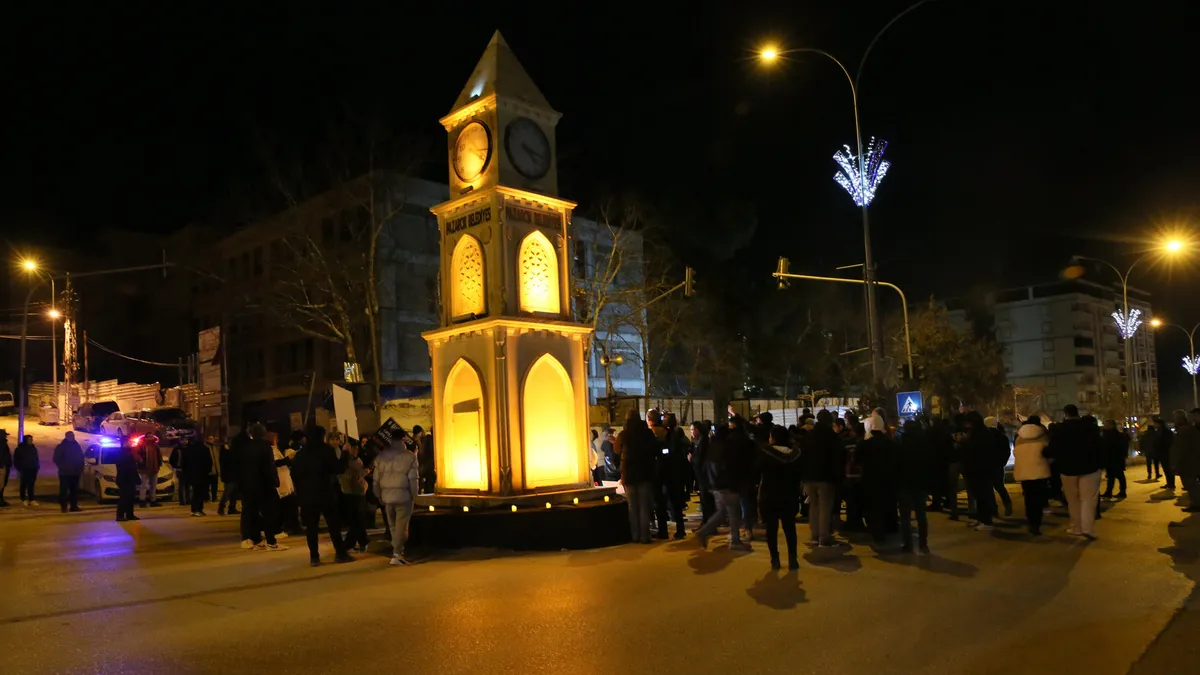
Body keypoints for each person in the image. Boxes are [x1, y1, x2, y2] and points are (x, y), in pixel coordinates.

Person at [292, 426, 353, 565]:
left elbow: (294, 474)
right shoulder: (326, 451)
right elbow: (338, 469)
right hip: (325, 493)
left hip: (307, 496)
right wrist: (344, 454)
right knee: (333, 525)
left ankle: (314, 557)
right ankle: (340, 553)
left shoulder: (301, 454)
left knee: (311, 527)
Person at [1047, 404, 1102, 539]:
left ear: (1065, 414)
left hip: (1067, 469)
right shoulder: (1090, 428)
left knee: (1073, 500)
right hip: (1090, 467)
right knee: (1088, 499)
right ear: (1077, 413)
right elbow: (1100, 446)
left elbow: (1052, 449)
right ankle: (1087, 528)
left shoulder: (1059, 429)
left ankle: (1076, 527)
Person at [695, 425, 749, 550]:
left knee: (722, 512)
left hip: (715, 485)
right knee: (733, 513)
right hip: (726, 485)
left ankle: (704, 531)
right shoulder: (727, 447)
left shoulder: (712, 446)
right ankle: (735, 540)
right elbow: (731, 467)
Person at [757, 425, 802, 570]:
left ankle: (775, 559)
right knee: (790, 528)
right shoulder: (796, 455)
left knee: (771, 529)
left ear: (773, 438)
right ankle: (792, 559)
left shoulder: (764, 453)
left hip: (769, 496)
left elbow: (756, 472)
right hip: (789, 496)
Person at [373, 433, 420, 566]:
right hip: (404, 496)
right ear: (404, 440)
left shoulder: (382, 456)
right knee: (402, 526)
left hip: (387, 496)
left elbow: (376, 480)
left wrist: (378, 494)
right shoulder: (410, 456)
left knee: (393, 525)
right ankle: (397, 553)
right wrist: (414, 496)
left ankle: (397, 552)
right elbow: (413, 480)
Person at [238, 423, 285, 551]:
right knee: (268, 513)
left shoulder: (244, 447)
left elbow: (240, 468)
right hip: (264, 485)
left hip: (248, 485)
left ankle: (251, 539)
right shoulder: (265, 447)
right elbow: (269, 467)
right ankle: (271, 542)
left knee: (249, 512)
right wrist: (275, 481)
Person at [801, 409, 842, 548]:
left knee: (814, 506)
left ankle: (814, 536)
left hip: (809, 475)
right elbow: (837, 458)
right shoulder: (832, 436)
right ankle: (824, 538)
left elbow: (803, 455)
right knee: (825, 507)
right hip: (826, 476)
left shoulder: (809, 435)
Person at [618, 410, 656, 544]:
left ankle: (635, 535)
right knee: (644, 506)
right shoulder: (647, 433)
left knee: (632, 507)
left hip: (629, 474)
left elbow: (617, 452)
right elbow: (655, 450)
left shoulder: (624, 435)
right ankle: (645, 536)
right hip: (645, 474)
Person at [896, 419, 931, 553]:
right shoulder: (924, 444)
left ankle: (908, 544)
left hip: (905, 483)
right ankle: (923, 543)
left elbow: (897, 464)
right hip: (920, 483)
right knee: (921, 514)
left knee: (905, 516)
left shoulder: (901, 443)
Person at [1013, 416, 1052, 535]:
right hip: (1040, 470)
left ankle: (1031, 521)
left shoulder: (1019, 436)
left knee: (1029, 498)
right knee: (1038, 498)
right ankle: (1036, 523)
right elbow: (1049, 452)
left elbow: (1016, 452)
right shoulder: (1043, 435)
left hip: (1024, 470)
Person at [958, 413, 996, 532]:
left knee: (983, 495)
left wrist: (965, 442)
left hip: (981, 469)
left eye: (969, 422)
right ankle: (981, 519)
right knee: (978, 496)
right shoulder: (974, 433)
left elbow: (979, 450)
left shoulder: (982, 434)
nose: (966, 425)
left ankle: (987, 521)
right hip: (973, 469)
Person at [339, 438, 370, 552]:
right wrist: (365, 472)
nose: (356, 450)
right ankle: (351, 543)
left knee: (359, 519)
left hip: (359, 492)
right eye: (353, 448)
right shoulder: (346, 461)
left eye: (357, 448)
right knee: (357, 520)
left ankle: (362, 541)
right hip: (351, 493)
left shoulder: (358, 460)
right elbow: (354, 475)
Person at [984, 417, 1014, 517]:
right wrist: (1002, 463)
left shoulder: (983, 436)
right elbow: (1006, 451)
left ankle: (993, 510)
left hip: (986, 465)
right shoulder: (1002, 436)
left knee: (988, 489)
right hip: (997, 466)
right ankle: (1007, 504)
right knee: (1000, 487)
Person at [1171, 409, 1200, 511]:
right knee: (1191, 484)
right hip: (1190, 462)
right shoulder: (1188, 429)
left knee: (1190, 484)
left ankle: (1196, 504)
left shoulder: (1184, 430)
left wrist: (1176, 463)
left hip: (1188, 463)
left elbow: (1182, 449)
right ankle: (1195, 503)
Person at [181, 432, 214, 516]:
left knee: (195, 491)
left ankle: (194, 509)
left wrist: (186, 472)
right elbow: (209, 462)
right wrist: (208, 471)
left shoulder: (188, 449)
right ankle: (199, 509)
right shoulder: (205, 449)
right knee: (200, 492)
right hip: (202, 474)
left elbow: (184, 462)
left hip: (191, 474)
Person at [52, 431, 85, 512]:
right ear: (66, 436)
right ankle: (64, 507)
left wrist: (80, 467)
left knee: (74, 490)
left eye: (72, 435)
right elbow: (56, 458)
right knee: (64, 490)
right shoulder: (62, 446)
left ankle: (73, 506)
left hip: (75, 472)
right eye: (70, 436)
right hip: (65, 473)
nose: (72, 437)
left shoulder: (76, 445)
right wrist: (63, 467)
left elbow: (81, 457)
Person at [274, 432, 300, 535]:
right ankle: (287, 526)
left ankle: (293, 526)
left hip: (287, 482)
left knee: (291, 506)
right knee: (285, 506)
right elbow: (276, 463)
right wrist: (288, 459)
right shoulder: (273, 450)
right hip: (280, 483)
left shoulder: (285, 450)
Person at [689, 421, 714, 527]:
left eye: (692, 429)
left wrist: (691, 458)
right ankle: (707, 522)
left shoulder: (702, 441)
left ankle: (708, 523)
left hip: (704, 475)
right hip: (702, 475)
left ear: (697, 430)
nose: (691, 432)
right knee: (705, 500)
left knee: (706, 500)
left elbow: (699, 459)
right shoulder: (699, 440)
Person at [1100, 420, 1130, 500]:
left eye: (1106, 424)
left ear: (1111, 425)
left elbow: (1119, 447)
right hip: (1111, 459)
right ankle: (1109, 491)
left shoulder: (1115, 435)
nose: (1104, 426)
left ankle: (1121, 491)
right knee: (1111, 476)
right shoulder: (1107, 434)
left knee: (1119, 475)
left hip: (1115, 458)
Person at [114, 439, 141, 522]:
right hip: (124, 478)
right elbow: (123, 466)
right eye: (127, 442)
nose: (129, 444)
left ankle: (130, 514)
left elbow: (134, 465)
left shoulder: (130, 452)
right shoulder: (121, 453)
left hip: (130, 477)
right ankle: (120, 515)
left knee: (130, 497)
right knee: (124, 498)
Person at [137, 434, 163, 507]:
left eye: (151, 436)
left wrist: (159, 464)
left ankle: (153, 500)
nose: (150, 438)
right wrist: (140, 460)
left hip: (154, 468)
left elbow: (159, 456)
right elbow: (136, 454)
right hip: (145, 469)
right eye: (149, 436)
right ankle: (142, 500)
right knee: (144, 485)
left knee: (153, 485)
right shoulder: (142, 446)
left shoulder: (156, 446)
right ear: (146, 437)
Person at [14, 434, 40, 506]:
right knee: (23, 484)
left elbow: (36, 457)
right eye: (29, 440)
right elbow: (16, 459)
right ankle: (23, 498)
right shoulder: (20, 449)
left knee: (31, 484)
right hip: (24, 469)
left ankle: (31, 499)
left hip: (33, 469)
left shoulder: (33, 448)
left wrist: (37, 466)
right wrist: (20, 468)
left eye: (31, 440)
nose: (31, 441)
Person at [218, 438, 241, 516]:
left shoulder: (231, 451)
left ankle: (232, 507)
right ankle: (221, 506)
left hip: (234, 475)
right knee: (228, 492)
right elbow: (225, 465)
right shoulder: (225, 452)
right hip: (229, 475)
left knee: (234, 492)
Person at [413, 425, 435, 495]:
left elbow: (423, 455)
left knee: (428, 487)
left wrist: (419, 443)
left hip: (428, 467)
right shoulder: (422, 440)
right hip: (425, 467)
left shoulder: (428, 439)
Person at [205, 435, 222, 502]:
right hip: (209, 470)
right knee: (207, 485)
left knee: (214, 485)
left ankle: (214, 497)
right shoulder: (206, 447)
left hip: (215, 470)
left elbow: (217, 459)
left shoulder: (215, 447)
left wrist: (218, 469)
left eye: (212, 438)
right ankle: (207, 497)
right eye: (210, 438)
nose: (211, 440)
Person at [0, 429, 11, 507]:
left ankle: (1, 500)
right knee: (1, 484)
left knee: (2, 485)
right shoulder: (2, 443)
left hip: (4, 466)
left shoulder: (3, 443)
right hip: (2, 467)